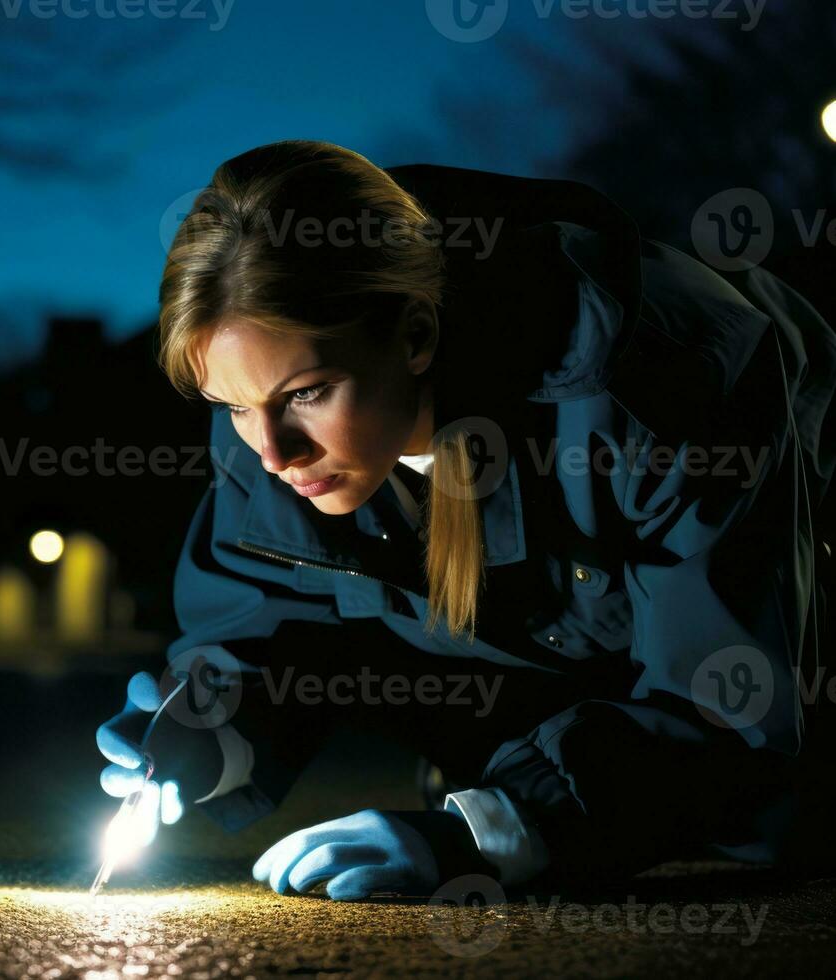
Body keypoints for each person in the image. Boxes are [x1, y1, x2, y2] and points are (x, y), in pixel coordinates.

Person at [96, 139, 836, 901]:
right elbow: (262, 624)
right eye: (229, 407)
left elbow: (731, 697)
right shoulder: (266, 419)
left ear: (415, 335)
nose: (272, 452)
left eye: (308, 393)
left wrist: (500, 826)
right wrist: (216, 732)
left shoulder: (665, 373)